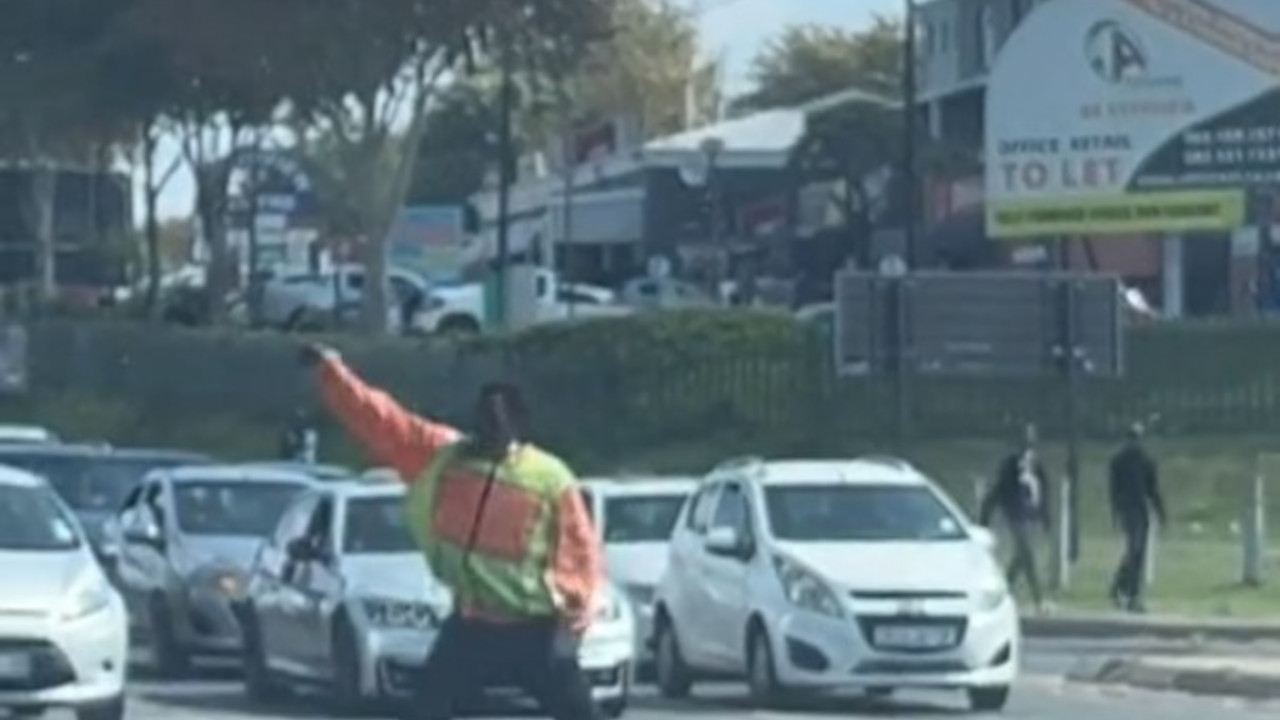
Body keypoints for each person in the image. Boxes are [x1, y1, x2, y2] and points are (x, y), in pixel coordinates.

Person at [298, 343, 604, 720]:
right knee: (429, 708)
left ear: (518, 427)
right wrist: (332, 372)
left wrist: (572, 626)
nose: (488, 429)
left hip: (533, 630)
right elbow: (383, 420)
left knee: (580, 713)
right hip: (472, 626)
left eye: (498, 422)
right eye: (483, 419)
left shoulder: (550, 479)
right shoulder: (445, 458)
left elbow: (580, 556)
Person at [980, 424, 1051, 611]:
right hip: (1016, 514)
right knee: (1027, 556)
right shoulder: (1010, 465)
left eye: (1031, 440)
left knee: (1020, 558)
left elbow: (1042, 492)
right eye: (1025, 440)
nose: (1028, 444)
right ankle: (1039, 599)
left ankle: (1003, 592)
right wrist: (986, 515)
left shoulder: (1036, 465)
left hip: (1031, 517)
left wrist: (1045, 516)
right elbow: (999, 488)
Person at [1108, 423, 1165, 613]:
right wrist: (1115, 511)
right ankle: (1130, 594)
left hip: (1140, 509)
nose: (1134, 441)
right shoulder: (1119, 462)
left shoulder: (1146, 461)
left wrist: (1160, 511)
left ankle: (1121, 587)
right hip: (1128, 509)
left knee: (1137, 553)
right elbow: (1114, 490)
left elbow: (1152, 489)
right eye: (1132, 438)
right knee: (1135, 550)